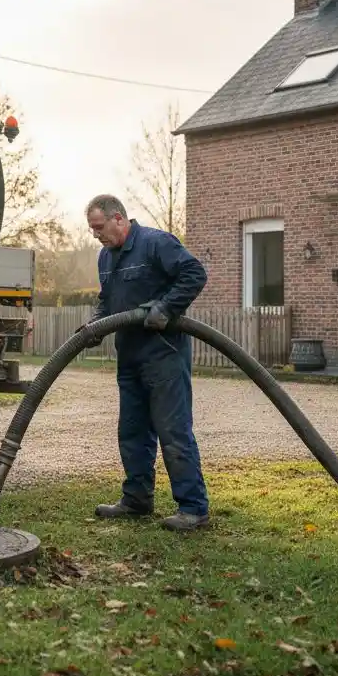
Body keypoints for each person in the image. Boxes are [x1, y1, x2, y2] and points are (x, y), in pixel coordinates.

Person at [79, 194, 210, 531]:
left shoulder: (155, 244)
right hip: (130, 356)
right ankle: (137, 500)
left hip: (163, 353)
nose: (96, 235)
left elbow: (194, 273)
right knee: (133, 431)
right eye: (92, 230)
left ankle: (193, 509)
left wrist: (166, 308)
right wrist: (94, 327)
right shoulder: (105, 258)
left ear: (118, 219)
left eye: (99, 228)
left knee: (173, 431)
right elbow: (107, 302)